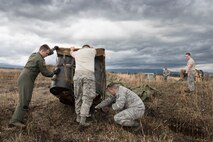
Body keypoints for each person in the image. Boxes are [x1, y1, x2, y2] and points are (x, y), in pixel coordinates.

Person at [9, 44, 60, 128]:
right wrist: (54, 73)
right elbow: (45, 73)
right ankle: (15, 121)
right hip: (27, 79)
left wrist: (53, 49)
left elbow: (47, 51)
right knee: (24, 100)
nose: (47, 55)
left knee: (25, 99)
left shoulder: (34, 54)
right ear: (42, 51)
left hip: (24, 77)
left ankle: (18, 118)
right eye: (46, 54)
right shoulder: (39, 60)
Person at [70, 44, 97, 131]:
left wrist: (72, 49)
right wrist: (91, 47)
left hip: (77, 75)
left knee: (77, 96)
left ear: (82, 47)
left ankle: (78, 117)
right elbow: (95, 49)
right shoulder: (92, 51)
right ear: (88, 47)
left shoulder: (77, 53)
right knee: (87, 98)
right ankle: (82, 122)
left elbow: (71, 52)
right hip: (88, 75)